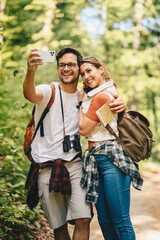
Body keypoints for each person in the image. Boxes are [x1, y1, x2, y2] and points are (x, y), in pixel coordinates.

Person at [23, 47, 126, 240]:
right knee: (59, 225)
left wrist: (121, 103)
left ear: (79, 68)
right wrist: (31, 70)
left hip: (75, 165)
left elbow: (108, 94)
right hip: (46, 167)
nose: (66, 68)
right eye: (62, 65)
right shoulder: (48, 91)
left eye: (71, 64)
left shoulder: (86, 95)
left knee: (83, 218)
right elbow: (30, 94)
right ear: (57, 69)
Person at [77, 56, 143, 240]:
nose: (86, 77)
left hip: (110, 160)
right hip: (96, 159)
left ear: (100, 69)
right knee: (105, 221)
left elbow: (83, 129)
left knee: (120, 221)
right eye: (82, 74)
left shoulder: (101, 96)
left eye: (89, 71)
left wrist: (78, 103)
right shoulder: (99, 92)